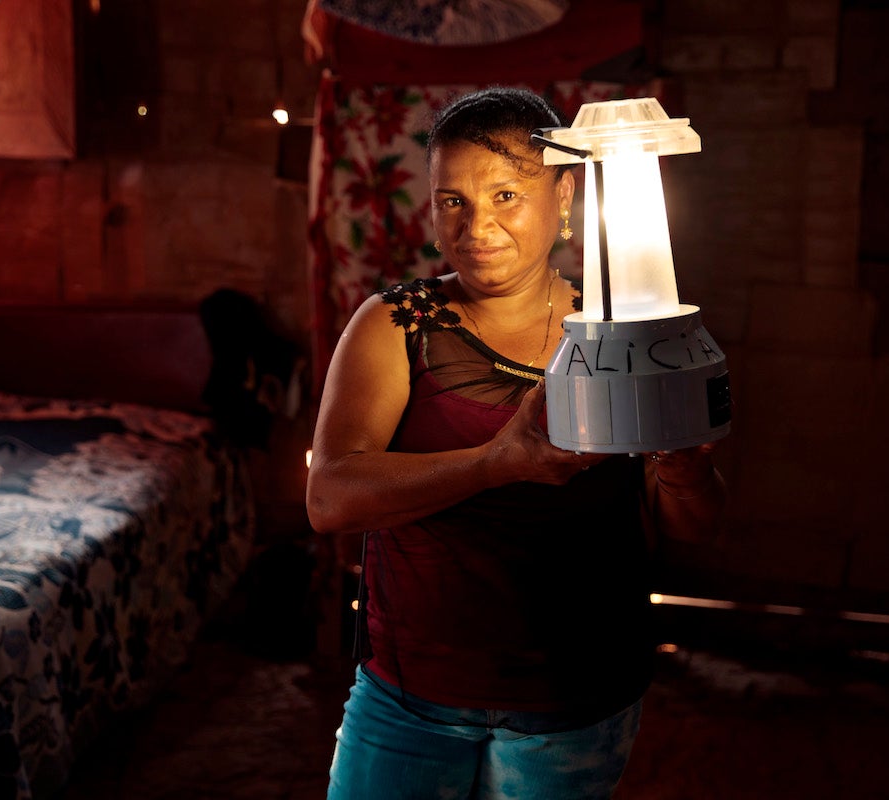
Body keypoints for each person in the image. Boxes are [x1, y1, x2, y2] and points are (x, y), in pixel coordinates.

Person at [305, 86, 727, 800]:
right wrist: (495, 463)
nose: (477, 226)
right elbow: (329, 499)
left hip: (573, 699)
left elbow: (695, 525)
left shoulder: (624, 335)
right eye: (453, 201)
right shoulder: (396, 325)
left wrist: (683, 466)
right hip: (410, 693)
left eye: (505, 194)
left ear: (565, 195)